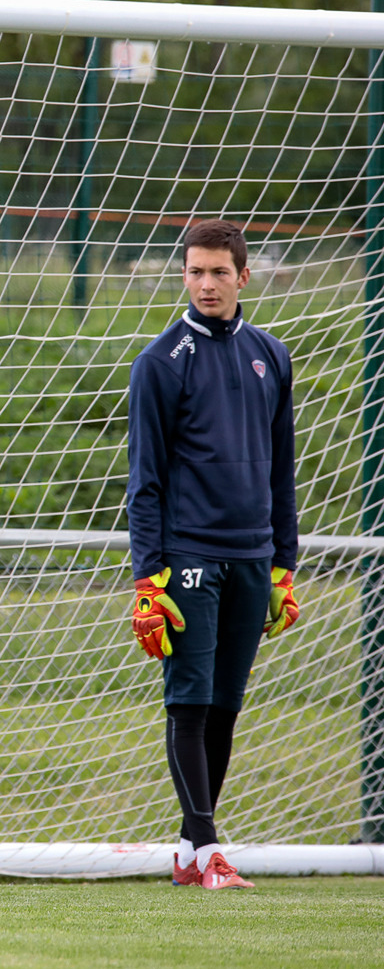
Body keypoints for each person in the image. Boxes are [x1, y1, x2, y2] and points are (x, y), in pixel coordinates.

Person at [127, 218, 301, 892]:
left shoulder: (272, 355)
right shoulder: (160, 362)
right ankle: (206, 849)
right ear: (184, 276)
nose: (206, 284)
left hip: (254, 558)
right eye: (195, 272)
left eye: (218, 272)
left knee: (226, 704)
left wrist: (284, 565)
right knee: (189, 702)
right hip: (187, 558)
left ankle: (190, 849)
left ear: (243, 277)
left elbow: (280, 472)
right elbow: (144, 482)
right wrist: (148, 580)